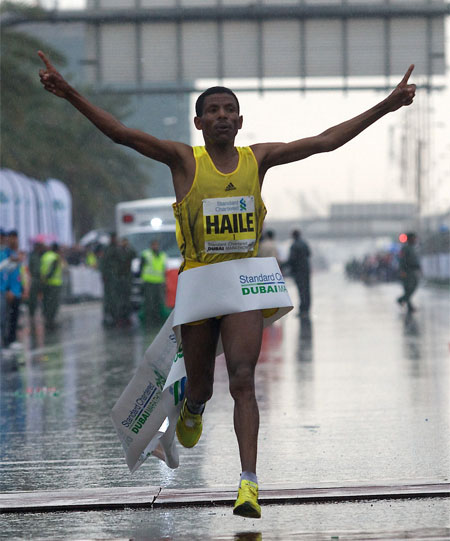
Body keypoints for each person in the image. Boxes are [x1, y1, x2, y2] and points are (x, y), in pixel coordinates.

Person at [38, 50, 416, 518]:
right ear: (199, 123)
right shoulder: (183, 161)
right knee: (201, 385)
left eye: (229, 109)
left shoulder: (258, 160)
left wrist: (387, 104)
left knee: (243, 378)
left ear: (241, 120)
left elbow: (326, 141)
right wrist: (69, 92)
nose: (222, 115)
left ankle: (249, 484)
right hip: (199, 281)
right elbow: (121, 133)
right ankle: (193, 407)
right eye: (212, 111)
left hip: (243, 281)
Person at [139, 239, 167, 327]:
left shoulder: (162, 255)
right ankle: (149, 320)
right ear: (151, 246)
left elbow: (164, 269)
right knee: (149, 302)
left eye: (156, 245)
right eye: (153, 245)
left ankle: (157, 320)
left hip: (159, 282)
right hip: (149, 282)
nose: (155, 247)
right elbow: (141, 268)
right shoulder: (146, 254)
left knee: (158, 302)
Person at [99, 232, 122, 327]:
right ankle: (109, 316)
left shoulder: (117, 248)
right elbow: (103, 262)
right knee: (109, 298)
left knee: (116, 297)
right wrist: (104, 274)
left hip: (116, 277)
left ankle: (115, 316)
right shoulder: (108, 249)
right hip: (110, 277)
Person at [287, 229, 312, 316]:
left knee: (301, 291)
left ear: (293, 236)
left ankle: (302, 310)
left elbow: (291, 259)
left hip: (298, 271)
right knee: (307, 290)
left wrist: (282, 265)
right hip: (306, 270)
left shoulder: (294, 246)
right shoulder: (305, 243)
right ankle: (307, 308)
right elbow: (309, 254)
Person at [40, 242, 63, 329]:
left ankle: (46, 317)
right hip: (54, 283)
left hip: (45, 283)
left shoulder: (45, 256)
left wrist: (44, 279)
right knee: (53, 303)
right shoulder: (55, 257)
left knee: (46, 301)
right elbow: (53, 269)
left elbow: (41, 268)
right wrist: (48, 277)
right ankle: (50, 320)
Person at [397, 232, 421, 312]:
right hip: (408, 271)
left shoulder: (413, 248)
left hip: (413, 270)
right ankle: (402, 300)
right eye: (414, 238)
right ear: (410, 239)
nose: (415, 240)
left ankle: (406, 303)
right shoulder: (405, 248)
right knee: (409, 288)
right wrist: (403, 270)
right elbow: (402, 260)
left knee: (411, 287)